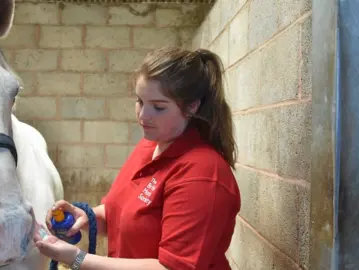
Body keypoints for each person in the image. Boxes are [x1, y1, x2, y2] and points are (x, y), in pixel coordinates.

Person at [34, 46, 241, 270]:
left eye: (158, 107)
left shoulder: (202, 175)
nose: (143, 116)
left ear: (192, 107)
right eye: (140, 101)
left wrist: (76, 258)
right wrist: (88, 216)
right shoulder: (150, 145)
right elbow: (123, 214)